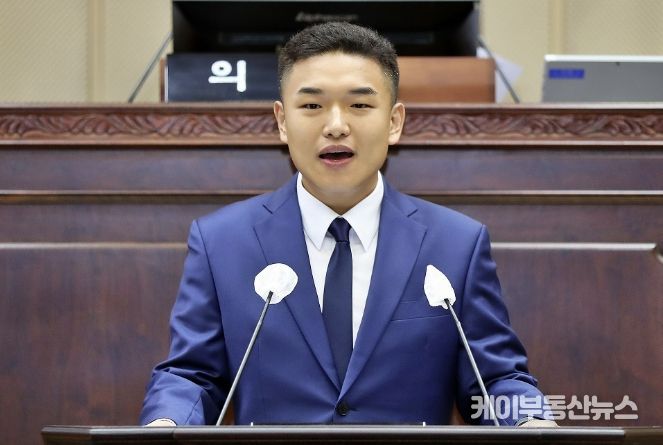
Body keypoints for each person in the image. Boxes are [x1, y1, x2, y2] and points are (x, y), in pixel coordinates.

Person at [140, 22, 555, 427]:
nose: (336, 126)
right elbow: (192, 376)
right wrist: (166, 423)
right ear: (282, 121)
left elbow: (495, 379)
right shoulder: (222, 242)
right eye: (312, 106)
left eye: (359, 105)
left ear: (394, 122)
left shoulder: (456, 244)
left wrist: (529, 422)